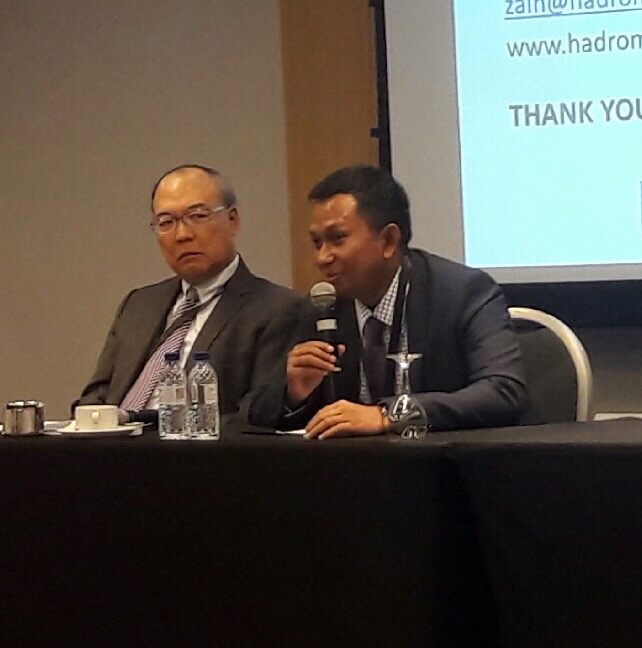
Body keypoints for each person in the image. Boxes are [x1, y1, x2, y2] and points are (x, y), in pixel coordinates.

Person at [248, 164, 530, 438]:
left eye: (338, 239)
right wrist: (294, 394)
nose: (323, 258)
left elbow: (503, 390)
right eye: (317, 243)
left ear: (389, 241)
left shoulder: (462, 293)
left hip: (448, 464)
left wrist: (392, 415)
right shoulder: (322, 308)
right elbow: (257, 410)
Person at [75, 164, 301, 423]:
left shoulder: (278, 309)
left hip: (194, 445)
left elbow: (257, 416)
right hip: (113, 444)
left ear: (232, 220)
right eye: (166, 222)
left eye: (198, 216)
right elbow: (96, 396)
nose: (182, 234)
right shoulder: (138, 304)